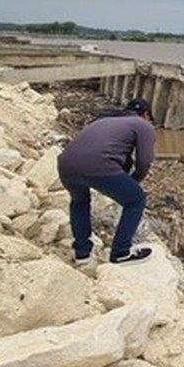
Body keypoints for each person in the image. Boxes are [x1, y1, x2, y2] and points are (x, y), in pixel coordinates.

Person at [57, 97, 157, 265]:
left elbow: (101, 146)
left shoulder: (104, 120)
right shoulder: (143, 125)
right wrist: (135, 181)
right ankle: (121, 252)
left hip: (66, 165)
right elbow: (144, 161)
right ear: (146, 114)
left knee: (79, 202)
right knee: (136, 200)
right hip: (98, 165)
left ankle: (82, 254)